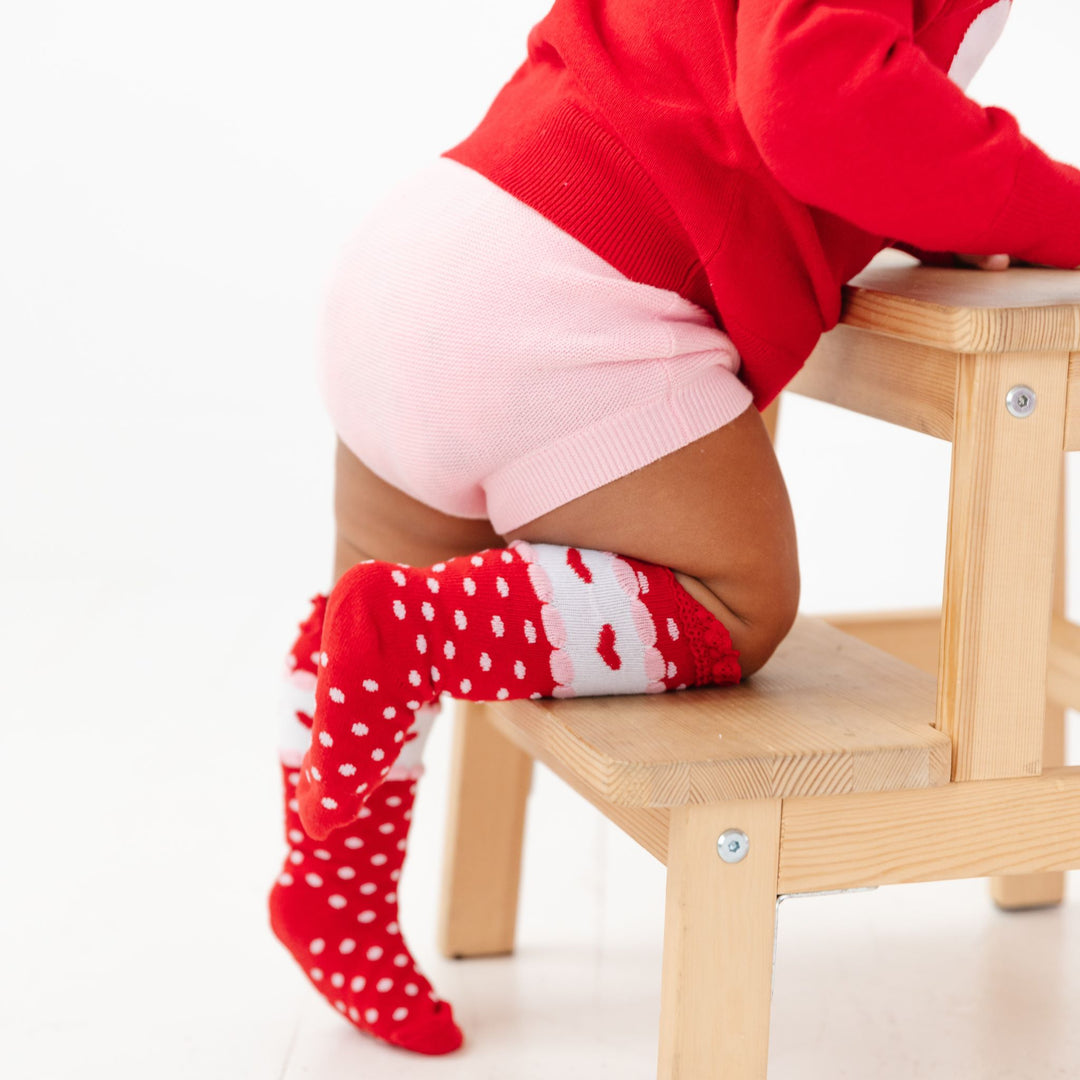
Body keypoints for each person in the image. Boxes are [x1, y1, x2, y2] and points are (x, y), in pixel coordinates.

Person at [269, 0, 1080, 1055]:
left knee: (356, 607)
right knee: (739, 599)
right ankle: (419, 630)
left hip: (431, 243)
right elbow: (813, 96)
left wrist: (941, 205)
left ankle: (333, 890)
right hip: (564, 302)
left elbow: (763, 95)